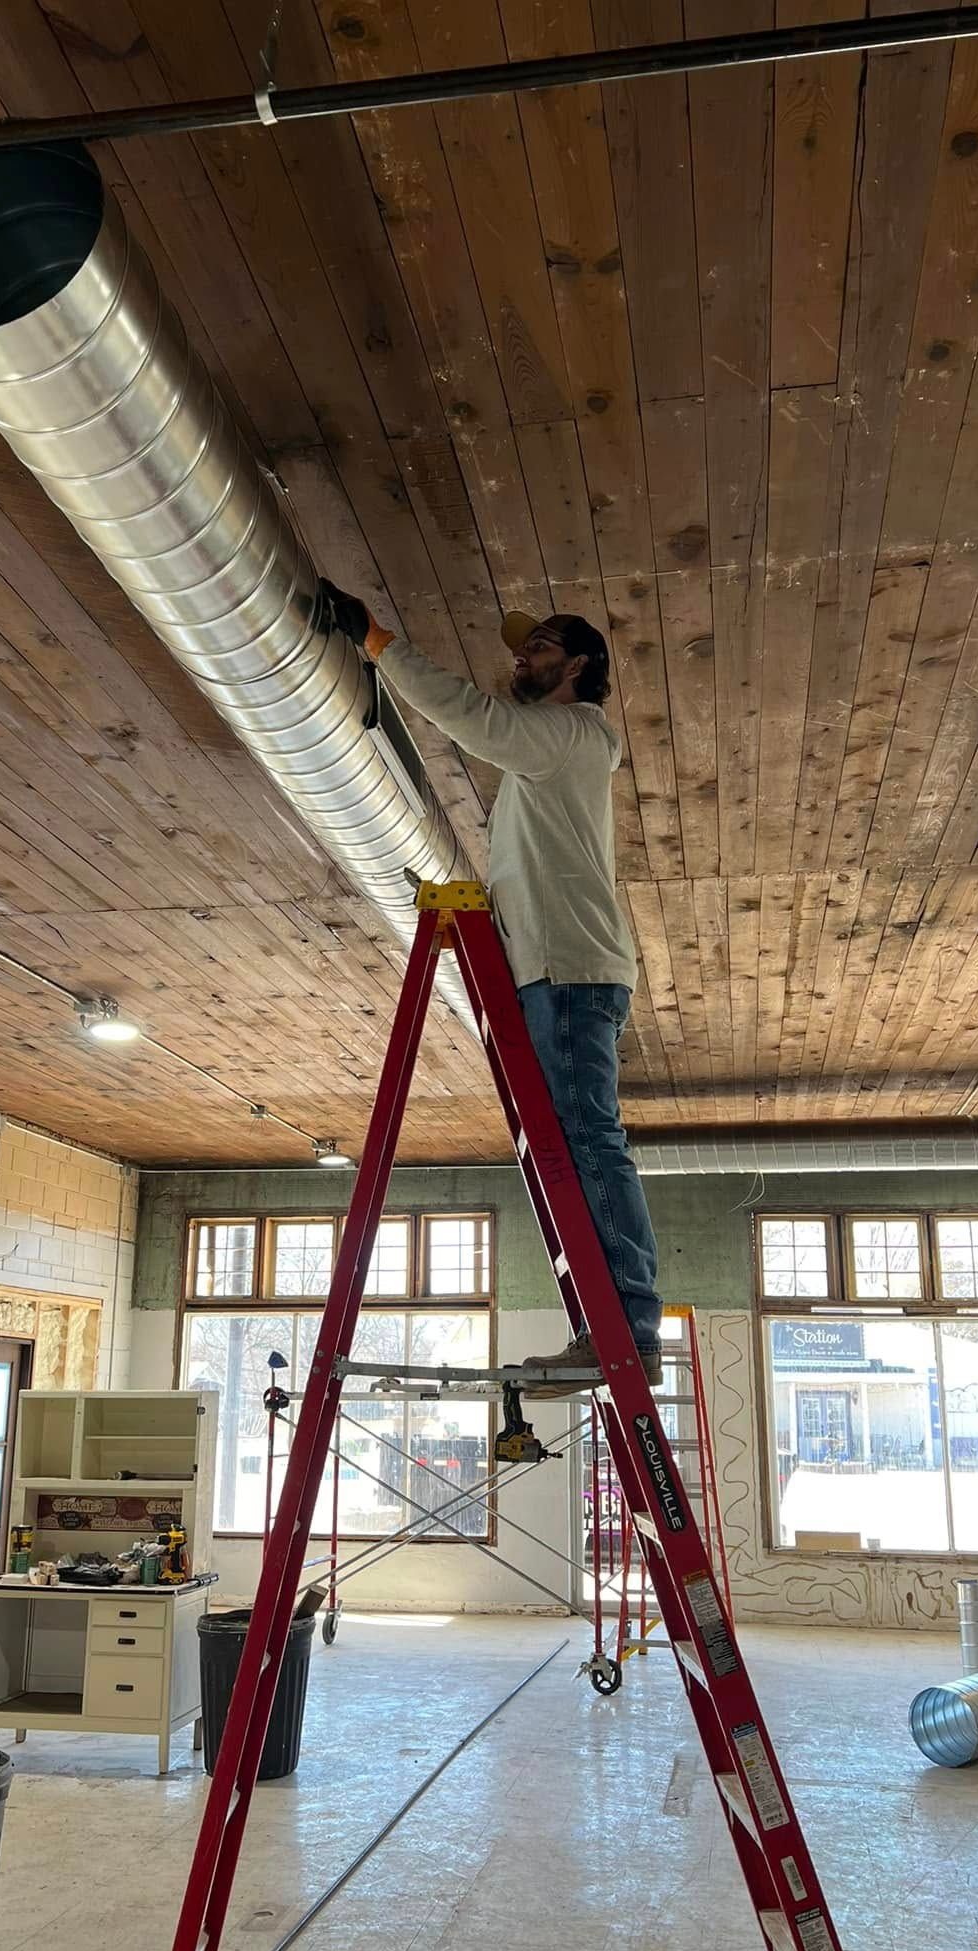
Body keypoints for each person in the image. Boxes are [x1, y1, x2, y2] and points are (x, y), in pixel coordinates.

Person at [320, 580, 662, 1390]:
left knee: (587, 1142)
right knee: (574, 1149)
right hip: (558, 970)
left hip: (572, 971)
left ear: (580, 666)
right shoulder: (557, 749)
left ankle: (629, 1329)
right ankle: (609, 1328)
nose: (522, 655)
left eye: (540, 645)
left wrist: (378, 641)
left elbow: (474, 719)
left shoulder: (571, 731)